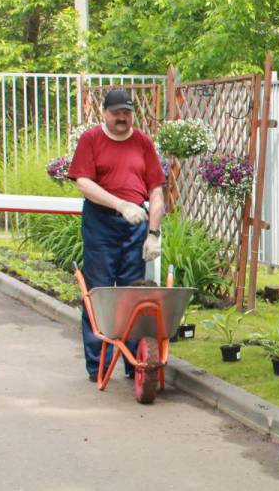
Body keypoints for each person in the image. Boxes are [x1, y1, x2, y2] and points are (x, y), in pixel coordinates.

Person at [68, 89, 166, 381]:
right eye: (116, 112)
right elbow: (84, 183)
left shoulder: (143, 143)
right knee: (100, 293)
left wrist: (153, 233)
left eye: (127, 112)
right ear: (104, 113)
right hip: (101, 223)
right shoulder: (92, 140)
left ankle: (132, 362)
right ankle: (97, 365)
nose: (122, 117)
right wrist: (120, 205)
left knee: (131, 294)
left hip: (135, 226)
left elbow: (156, 190)